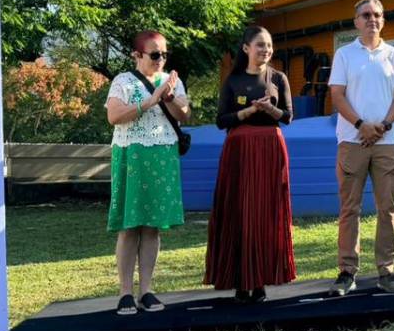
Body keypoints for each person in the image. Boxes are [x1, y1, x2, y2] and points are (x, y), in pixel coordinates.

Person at [204, 25, 296, 299]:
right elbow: (222, 121)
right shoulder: (232, 81)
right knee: (239, 211)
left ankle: (261, 281)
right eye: (260, 45)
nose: (266, 50)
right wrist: (249, 111)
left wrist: (270, 109)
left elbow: (288, 117)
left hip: (270, 149)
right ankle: (240, 281)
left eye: (268, 45)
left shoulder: (278, 78)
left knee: (266, 213)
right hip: (239, 151)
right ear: (246, 49)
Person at [327, 0, 394, 296]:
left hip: (387, 143)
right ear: (356, 22)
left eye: (377, 14)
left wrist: (383, 126)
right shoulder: (345, 55)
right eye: (366, 15)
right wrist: (362, 125)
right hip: (353, 141)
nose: (372, 19)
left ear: (383, 20)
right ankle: (347, 272)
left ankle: (386, 272)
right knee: (350, 209)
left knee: (387, 208)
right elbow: (337, 96)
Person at [104, 30, 190, 315]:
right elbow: (114, 116)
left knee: (152, 225)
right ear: (137, 55)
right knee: (130, 226)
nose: (160, 59)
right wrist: (149, 101)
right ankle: (125, 292)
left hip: (162, 154)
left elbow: (184, 114)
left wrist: (168, 98)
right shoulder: (123, 81)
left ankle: (147, 290)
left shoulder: (171, 82)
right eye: (155, 54)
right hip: (132, 154)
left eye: (164, 54)